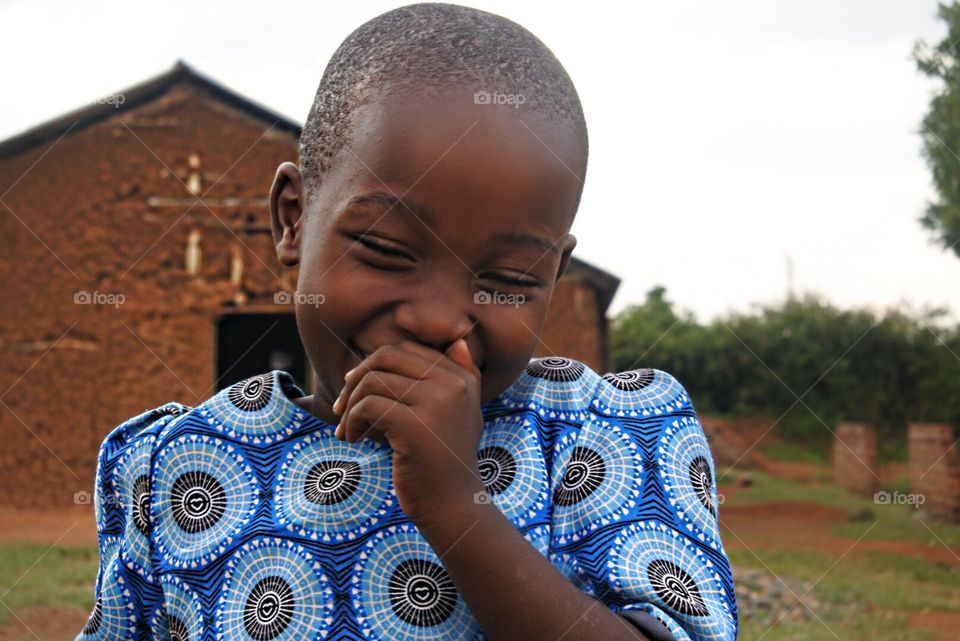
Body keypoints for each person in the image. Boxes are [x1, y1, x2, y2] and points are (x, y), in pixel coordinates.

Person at [76, 4, 738, 640]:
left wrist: (456, 506)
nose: (437, 317)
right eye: (388, 251)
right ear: (292, 219)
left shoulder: (603, 439)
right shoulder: (182, 466)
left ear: (553, 279)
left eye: (508, 280)